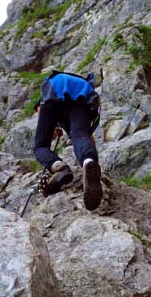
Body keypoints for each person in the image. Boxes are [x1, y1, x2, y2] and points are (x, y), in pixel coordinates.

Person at [33, 70, 103, 210]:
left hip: (56, 86)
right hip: (85, 94)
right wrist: (90, 160)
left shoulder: (51, 91)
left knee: (40, 146)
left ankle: (59, 167)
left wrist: (51, 127)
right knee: (80, 135)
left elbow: (41, 107)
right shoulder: (77, 86)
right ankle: (89, 162)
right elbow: (87, 138)